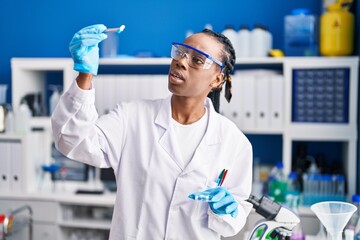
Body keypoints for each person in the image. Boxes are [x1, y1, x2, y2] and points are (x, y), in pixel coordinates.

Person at [52, 24, 253, 239]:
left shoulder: (234, 143)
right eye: (180, 52)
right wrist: (85, 75)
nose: (181, 61)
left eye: (197, 60)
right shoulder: (132, 117)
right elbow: (73, 140)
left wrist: (227, 211)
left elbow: (233, 221)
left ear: (217, 79)